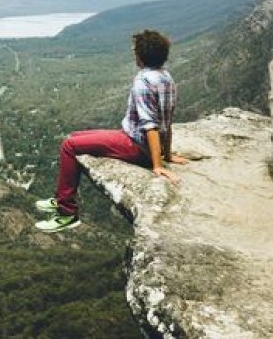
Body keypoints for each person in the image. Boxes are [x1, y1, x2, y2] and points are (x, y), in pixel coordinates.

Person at [35, 29, 189, 233]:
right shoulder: (167, 78)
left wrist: (157, 165)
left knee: (69, 146)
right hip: (140, 142)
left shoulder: (143, 82)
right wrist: (166, 153)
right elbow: (166, 121)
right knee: (75, 138)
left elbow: (150, 125)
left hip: (134, 144)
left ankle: (67, 213)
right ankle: (62, 197)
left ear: (140, 57)